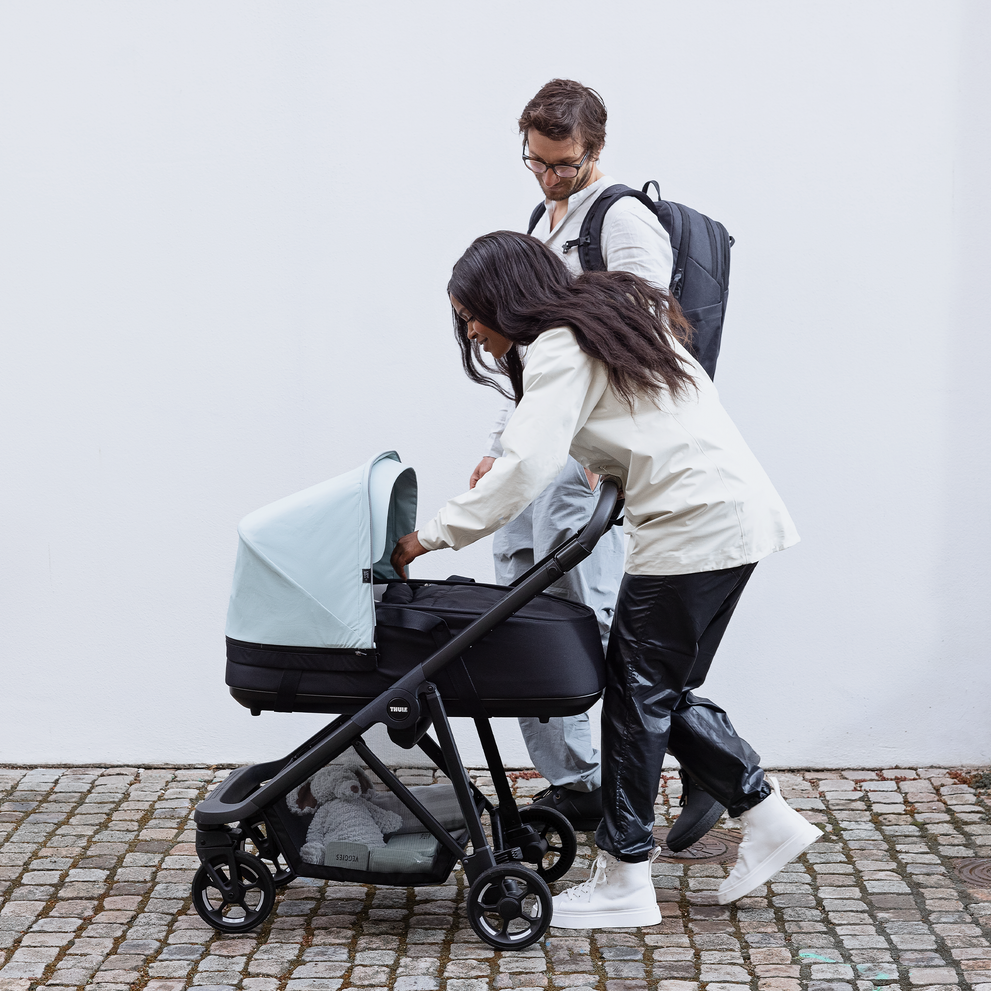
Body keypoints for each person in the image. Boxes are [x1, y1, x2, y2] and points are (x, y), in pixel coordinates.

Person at [392, 231, 819, 928]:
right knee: (654, 688)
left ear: (503, 298)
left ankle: (624, 877)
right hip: (730, 519)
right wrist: (604, 457)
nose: (469, 330)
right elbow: (645, 413)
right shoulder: (608, 310)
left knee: (633, 697)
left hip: (690, 529)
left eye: (471, 314)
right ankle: (766, 815)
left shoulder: (559, 344)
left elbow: (527, 469)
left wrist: (425, 538)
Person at [474, 78, 727, 848]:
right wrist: (499, 450)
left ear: (596, 149)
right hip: (540, 450)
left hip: (587, 457)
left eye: (563, 164)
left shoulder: (619, 218)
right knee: (519, 615)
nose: (550, 177)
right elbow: (528, 358)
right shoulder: (541, 221)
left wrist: (614, 453)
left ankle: (711, 765)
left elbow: (656, 334)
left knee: (608, 622)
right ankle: (577, 780)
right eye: (537, 161)